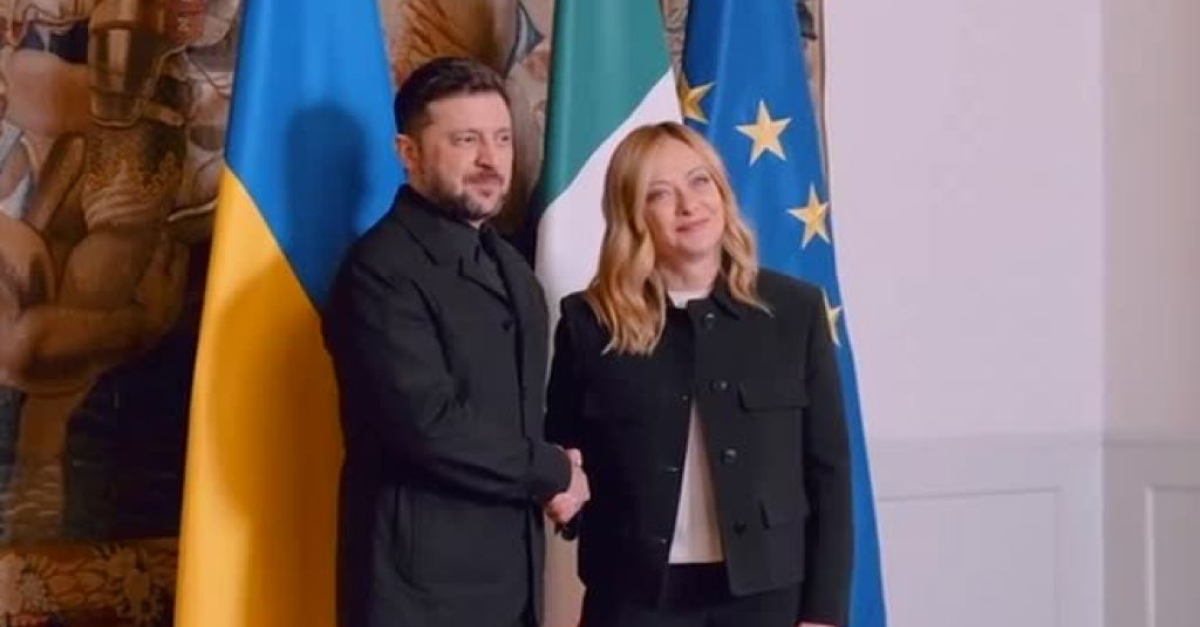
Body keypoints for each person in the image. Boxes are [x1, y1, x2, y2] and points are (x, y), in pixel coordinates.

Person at [545, 122, 852, 627]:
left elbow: (830, 473)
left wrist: (824, 613)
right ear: (632, 216)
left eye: (699, 181)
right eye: (660, 194)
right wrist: (562, 487)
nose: (689, 205)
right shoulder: (589, 322)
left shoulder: (794, 311)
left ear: (723, 191)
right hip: (633, 598)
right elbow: (561, 450)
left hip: (767, 597)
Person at [322, 57, 588, 627]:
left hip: (513, 578)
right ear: (408, 152)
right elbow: (428, 426)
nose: (491, 159)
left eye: (501, 138)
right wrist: (553, 471)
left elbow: (519, 415)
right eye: (466, 140)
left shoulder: (511, 267)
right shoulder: (379, 271)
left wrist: (567, 469)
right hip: (418, 593)